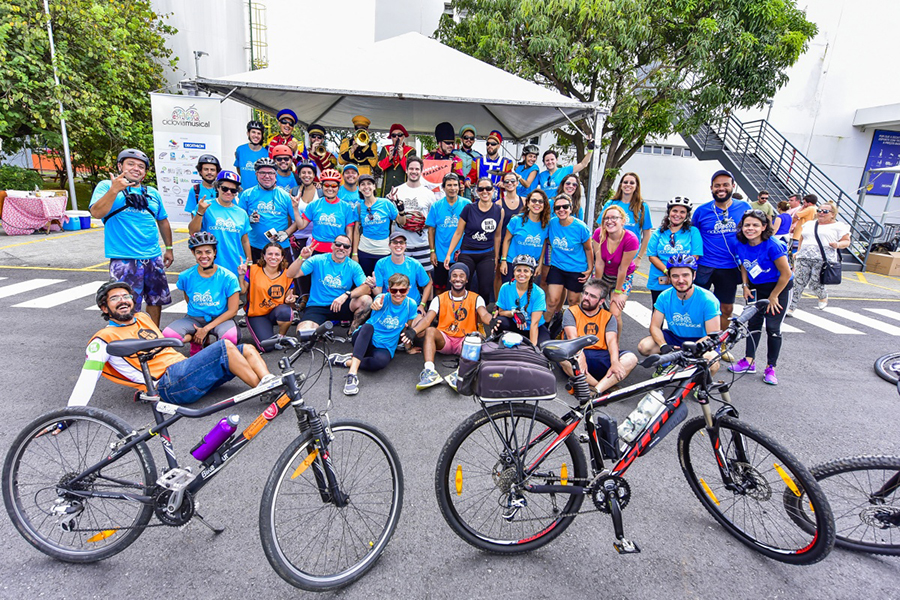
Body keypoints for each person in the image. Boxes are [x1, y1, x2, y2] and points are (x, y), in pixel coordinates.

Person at [68, 281, 272, 407]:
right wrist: (67, 416)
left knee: (246, 348)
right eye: (114, 299)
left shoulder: (142, 317)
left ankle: (269, 381)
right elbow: (88, 377)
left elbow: (160, 346)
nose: (123, 301)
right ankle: (265, 391)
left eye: (126, 296)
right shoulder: (103, 338)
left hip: (184, 371)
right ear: (104, 308)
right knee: (225, 347)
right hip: (168, 383)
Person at [89, 148, 174, 325]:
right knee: (125, 303)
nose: (136, 168)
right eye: (131, 164)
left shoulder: (152, 193)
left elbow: (163, 221)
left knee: (155, 300)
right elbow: (96, 213)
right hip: (124, 259)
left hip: (152, 257)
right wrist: (114, 190)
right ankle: (127, 338)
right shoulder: (106, 187)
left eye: (141, 166)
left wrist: (169, 248)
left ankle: (152, 334)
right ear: (120, 166)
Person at [691, 169, 751, 360]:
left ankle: (719, 344)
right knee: (698, 305)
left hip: (730, 267)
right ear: (711, 188)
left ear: (733, 186)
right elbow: (693, 237)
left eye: (725, 184)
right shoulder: (701, 212)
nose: (721, 188)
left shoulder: (744, 208)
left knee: (726, 309)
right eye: (717, 185)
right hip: (705, 266)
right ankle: (696, 342)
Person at [730, 210, 793, 385]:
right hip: (756, 288)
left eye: (755, 225)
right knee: (753, 324)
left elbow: (786, 274)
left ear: (764, 227)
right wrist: (745, 285)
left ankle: (771, 367)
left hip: (778, 288)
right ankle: (749, 361)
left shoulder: (773, 245)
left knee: (773, 328)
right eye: (747, 225)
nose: (750, 228)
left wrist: (774, 296)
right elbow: (744, 264)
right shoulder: (740, 243)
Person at [328, 273, 418, 396]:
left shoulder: (411, 305)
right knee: (367, 327)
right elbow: (376, 303)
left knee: (380, 363)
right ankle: (352, 374)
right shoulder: (382, 298)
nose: (398, 293)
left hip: (385, 345)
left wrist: (409, 348)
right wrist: (375, 305)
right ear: (389, 290)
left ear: (408, 289)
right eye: (394, 290)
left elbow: (407, 329)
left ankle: (347, 361)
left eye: (402, 290)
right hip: (364, 338)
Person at [637, 254, 721, 377]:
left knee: (711, 360)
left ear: (694, 275)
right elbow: (655, 327)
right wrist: (664, 346)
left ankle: (701, 382)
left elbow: (711, 335)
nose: (680, 280)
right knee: (644, 347)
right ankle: (666, 363)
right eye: (675, 276)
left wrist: (686, 350)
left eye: (685, 275)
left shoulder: (708, 299)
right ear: (669, 277)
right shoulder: (664, 296)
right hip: (675, 337)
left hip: (700, 340)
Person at [414, 262, 492, 390]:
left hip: (465, 341)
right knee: (430, 331)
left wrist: (492, 321)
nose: (458, 279)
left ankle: (459, 373)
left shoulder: (476, 298)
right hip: (445, 340)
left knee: (477, 338)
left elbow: (484, 315)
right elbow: (428, 319)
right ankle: (429, 372)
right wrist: (413, 330)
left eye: (462, 276)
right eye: (454, 275)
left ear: (467, 279)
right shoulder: (439, 298)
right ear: (450, 279)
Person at [162, 232, 241, 355]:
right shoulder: (185, 276)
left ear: (215, 252)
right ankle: (196, 339)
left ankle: (212, 351)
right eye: (199, 252)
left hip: (220, 318)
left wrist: (205, 329)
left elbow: (233, 311)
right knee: (168, 336)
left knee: (230, 338)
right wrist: (200, 330)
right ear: (193, 253)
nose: (204, 256)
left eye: (208, 252)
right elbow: (189, 299)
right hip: (195, 319)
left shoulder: (228, 277)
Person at [561, 279, 637, 393]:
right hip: (579, 354)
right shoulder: (571, 312)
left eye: (592, 296)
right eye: (585, 293)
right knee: (563, 359)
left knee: (631, 359)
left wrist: (615, 362)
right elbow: (573, 339)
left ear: (601, 301)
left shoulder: (608, 317)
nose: (586, 298)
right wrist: (581, 356)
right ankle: (602, 388)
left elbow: (612, 341)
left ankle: (596, 390)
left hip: (601, 356)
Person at [288, 234, 372, 331]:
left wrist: (346, 295)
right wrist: (301, 258)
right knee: (303, 332)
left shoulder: (353, 266)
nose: (341, 248)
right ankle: (318, 332)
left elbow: (366, 288)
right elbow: (291, 274)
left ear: (349, 250)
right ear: (332, 246)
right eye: (338, 244)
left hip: (340, 304)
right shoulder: (318, 260)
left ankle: (353, 331)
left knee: (366, 300)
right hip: (317, 306)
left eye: (346, 246)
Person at [444, 177, 504, 303]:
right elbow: (458, 232)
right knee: (462, 286)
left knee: (485, 289)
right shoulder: (469, 208)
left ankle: (480, 319)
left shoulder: (499, 210)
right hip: (468, 253)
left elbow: (497, 236)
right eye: (481, 189)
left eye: (488, 188)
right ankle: (461, 315)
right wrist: (449, 254)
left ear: (493, 190)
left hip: (487, 254)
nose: (485, 192)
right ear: (477, 191)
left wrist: (497, 257)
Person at [788, 200, 850, 314]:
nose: (821, 213)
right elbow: (802, 237)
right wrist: (799, 251)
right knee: (798, 282)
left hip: (823, 259)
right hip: (804, 257)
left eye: (825, 211)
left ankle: (822, 295)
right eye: (819, 210)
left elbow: (846, 241)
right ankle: (791, 307)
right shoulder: (810, 224)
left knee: (815, 282)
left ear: (832, 214)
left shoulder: (839, 226)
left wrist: (838, 245)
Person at [188, 170, 251, 279]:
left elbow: (245, 240)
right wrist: (200, 212)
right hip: (211, 264)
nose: (229, 192)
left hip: (237, 266)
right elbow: (193, 232)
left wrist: (249, 262)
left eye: (233, 190)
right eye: (225, 188)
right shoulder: (206, 206)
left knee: (237, 295)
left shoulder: (241, 213)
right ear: (217, 187)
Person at [545, 193, 594, 323]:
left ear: (571, 208)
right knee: (552, 301)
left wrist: (590, 269)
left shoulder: (580, 227)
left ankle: (572, 330)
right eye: (558, 207)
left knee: (573, 302)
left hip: (576, 268)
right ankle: (543, 330)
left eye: (565, 206)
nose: (561, 210)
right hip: (558, 266)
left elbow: (588, 249)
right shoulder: (552, 223)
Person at [238, 242, 296, 350]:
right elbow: (242, 291)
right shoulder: (253, 270)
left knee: (286, 311)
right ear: (264, 256)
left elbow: (289, 296)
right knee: (267, 347)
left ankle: (281, 337)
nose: (273, 257)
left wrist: (290, 299)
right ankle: (264, 331)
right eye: (270, 254)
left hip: (275, 312)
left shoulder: (287, 273)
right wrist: (241, 275)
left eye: (277, 254)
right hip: (257, 314)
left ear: (282, 257)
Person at [646, 196, 702, 304]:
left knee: (680, 311)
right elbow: (652, 256)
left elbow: (695, 256)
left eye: (682, 212)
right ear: (669, 212)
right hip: (660, 278)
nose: (677, 214)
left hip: (682, 279)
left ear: (686, 215)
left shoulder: (693, 232)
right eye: (675, 211)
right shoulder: (658, 233)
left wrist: (676, 273)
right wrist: (667, 271)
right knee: (658, 311)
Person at [241, 157, 296, 262]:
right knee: (255, 278)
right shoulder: (247, 195)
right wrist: (248, 219)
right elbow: (238, 221)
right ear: (256, 174)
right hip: (255, 247)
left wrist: (286, 233)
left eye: (270, 173)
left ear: (275, 176)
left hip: (280, 248)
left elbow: (298, 221)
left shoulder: (285, 196)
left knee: (283, 278)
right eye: (262, 173)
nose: (267, 176)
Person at [370, 231, 432, 324]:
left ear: (405, 245)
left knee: (419, 330)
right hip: (389, 305)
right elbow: (378, 292)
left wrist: (422, 305)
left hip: (411, 306)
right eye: (395, 242)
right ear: (389, 245)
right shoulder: (381, 264)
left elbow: (428, 283)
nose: (398, 245)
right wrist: (373, 286)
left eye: (401, 242)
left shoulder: (414, 264)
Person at [592, 205, 639, 323]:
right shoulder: (599, 234)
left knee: (614, 314)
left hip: (622, 277)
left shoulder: (631, 240)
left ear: (623, 221)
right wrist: (597, 289)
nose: (609, 221)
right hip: (603, 274)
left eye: (614, 218)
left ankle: (615, 341)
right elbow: (599, 263)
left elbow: (623, 269)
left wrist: (617, 293)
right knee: (591, 307)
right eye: (606, 218)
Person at [388, 157, 435, 273]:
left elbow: (432, 222)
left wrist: (419, 224)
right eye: (411, 169)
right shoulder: (396, 191)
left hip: (422, 243)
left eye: (417, 169)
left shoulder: (429, 194)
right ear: (406, 170)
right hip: (401, 244)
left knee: (426, 278)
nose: (414, 171)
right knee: (399, 277)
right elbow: (391, 220)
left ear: (421, 171)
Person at [294, 168, 358, 253]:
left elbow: (349, 231)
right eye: (327, 185)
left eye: (334, 186)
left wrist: (348, 250)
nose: (330, 189)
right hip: (316, 250)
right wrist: (295, 208)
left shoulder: (346, 207)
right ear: (322, 186)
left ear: (338, 188)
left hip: (337, 250)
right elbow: (301, 226)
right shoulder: (314, 205)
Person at [352, 173, 405, 275]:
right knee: (366, 282)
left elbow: (401, 221)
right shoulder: (358, 207)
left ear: (374, 186)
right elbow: (356, 232)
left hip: (384, 250)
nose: (366, 187)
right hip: (364, 250)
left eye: (369, 184)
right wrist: (354, 254)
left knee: (383, 282)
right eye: (362, 184)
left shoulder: (386, 203)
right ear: (359, 188)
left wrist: (402, 211)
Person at [426, 173, 471, 292]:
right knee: (439, 286)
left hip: (461, 253)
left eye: (455, 185)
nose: (452, 188)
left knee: (460, 285)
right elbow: (431, 230)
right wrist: (432, 251)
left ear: (459, 186)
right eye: (449, 185)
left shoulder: (467, 204)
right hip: (441, 253)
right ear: (443, 188)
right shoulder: (436, 206)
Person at [494, 255, 550, 346]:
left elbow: (534, 324)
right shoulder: (505, 287)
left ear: (531, 273)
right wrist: (514, 313)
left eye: (526, 271)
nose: (522, 274)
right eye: (519, 270)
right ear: (514, 272)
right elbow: (501, 312)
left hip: (534, 327)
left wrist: (533, 347)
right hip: (514, 326)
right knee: (500, 322)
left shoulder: (539, 293)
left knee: (544, 347)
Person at [500, 189, 550, 284]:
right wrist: (503, 260)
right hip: (512, 264)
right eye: (533, 200)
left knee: (529, 296)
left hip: (532, 266)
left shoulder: (546, 224)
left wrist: (540, 265)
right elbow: (506, 240)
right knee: (510, 294)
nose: (537, 204)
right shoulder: (516, 220)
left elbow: (544, 244)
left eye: (540, 201)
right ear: (527, 203)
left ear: (544, 205)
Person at [600, 172, 652, 263]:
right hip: (609, 255)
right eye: (625, 182)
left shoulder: (642, 207)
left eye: (632, 183)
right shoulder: (611, 204)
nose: (628, 185)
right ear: (621, 185)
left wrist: (639, 258)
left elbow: (647, 234)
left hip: (629, 255)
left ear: (636, 186)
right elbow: (601, 229)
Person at [376, 123, 416, 196]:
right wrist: (389, 158)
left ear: (403, 137)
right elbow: (378, 169)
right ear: (391, 138)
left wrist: (402, 156)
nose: (397, 137)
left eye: (400, 135)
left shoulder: (411, 151)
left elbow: (412, 171)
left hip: (403, 190)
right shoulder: (386, 149)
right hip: (387, 189)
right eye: (394, 135)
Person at [473, 130, 513, 196]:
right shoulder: (478, 161)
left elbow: (509, 181)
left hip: (497, 199)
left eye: (493, 144)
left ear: (499, 145)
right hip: (480, 196)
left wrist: (504, 183)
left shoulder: (506, 162)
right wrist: (468, 180)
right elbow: (471, 176)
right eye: (488, 144)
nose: (490, 146)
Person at [234, 120, 268, 188]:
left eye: (259, 133)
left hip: (260, 193)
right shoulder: (240, 150)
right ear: (248, 133)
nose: (256, 135)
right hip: (243, 192)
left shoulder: (266, 153)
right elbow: (239, 168)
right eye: (253, 132)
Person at [452, 124, 481, 197]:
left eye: (471, 138)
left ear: (474, 141)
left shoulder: (478, 156)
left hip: (471, 190)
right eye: (466, 137)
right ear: (461, 139)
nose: (469, 140)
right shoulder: (454, 153)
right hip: (456, 189)